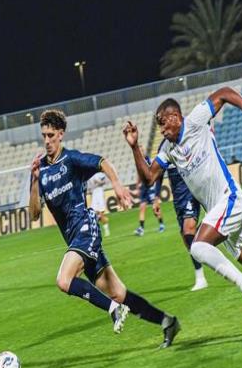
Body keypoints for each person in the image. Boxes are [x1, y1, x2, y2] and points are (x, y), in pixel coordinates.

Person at [124, 88, 242, 324]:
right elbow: (149, 177)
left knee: (198, 247)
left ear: (175, 117)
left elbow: (224, 93)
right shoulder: (167, 149)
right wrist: (134, 146)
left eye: (163, 124)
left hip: (230, 199)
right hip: (218, 211)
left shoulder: (195, 120)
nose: (162, 130)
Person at [29, 109, 180, 347]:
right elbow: (35, 213)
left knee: (64, 280)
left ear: (61, 134)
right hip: (75, 240)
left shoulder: (71, 160)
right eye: (44, 136)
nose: (47, 141)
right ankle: (167, 322)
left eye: (51, 135)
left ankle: (113, 310)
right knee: (119, 293)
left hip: (85, 228)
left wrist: (117, 185)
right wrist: (36, 180)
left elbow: (102, 162)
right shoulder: (41, 170)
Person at [154, 160, 208, 291]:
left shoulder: (185, 147)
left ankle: (201, 278)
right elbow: (159, 173)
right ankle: (206, 234)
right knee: (186, 237)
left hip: (191, 193)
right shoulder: (164, 150)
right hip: (178, 198)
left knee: (188, 231)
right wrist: (156, 198)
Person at [132, 147, 165, 236]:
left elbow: (153, 172)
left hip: (150, 186)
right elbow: (139, 175)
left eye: (141, 150)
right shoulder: (139, 161)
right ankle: (141, 228)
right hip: (143, 187)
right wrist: (137, 186)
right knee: (142, 207)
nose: (140, 152)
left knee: (155, 207)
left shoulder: (149, 161)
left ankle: (161, 224)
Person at [88, 172, 110, 237]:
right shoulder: (89, 175)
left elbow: (106, 181)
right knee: (93, 213)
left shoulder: (99, 174)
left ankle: (106, 230)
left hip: (99, 192)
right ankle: (102, 219)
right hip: (94, 194)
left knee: (101, 213)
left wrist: (99, 181)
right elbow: (89, 187)